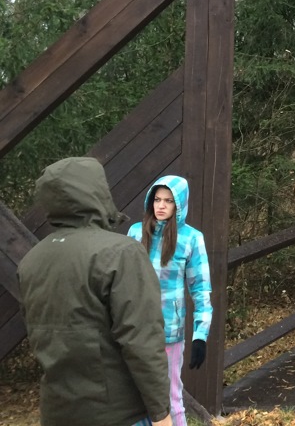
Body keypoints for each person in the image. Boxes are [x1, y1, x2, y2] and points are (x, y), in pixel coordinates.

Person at [17, 156, 173, 426]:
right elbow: (141, 339)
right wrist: (161, 414)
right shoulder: (121, 253)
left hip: (57, 413)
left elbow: (38, 333)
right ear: (97, 193)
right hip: (119, 415)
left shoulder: (32, 259)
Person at [128, 174, 212, 426]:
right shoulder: (134, 233)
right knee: (134, 398)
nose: (161, 205)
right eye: (157, 199)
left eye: (168, 201)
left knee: (170, 397)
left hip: (169, 333)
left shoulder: (191, 238)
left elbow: (201, 289)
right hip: (134, 330)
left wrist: (200, 336)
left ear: (179, 205)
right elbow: (121, 283)